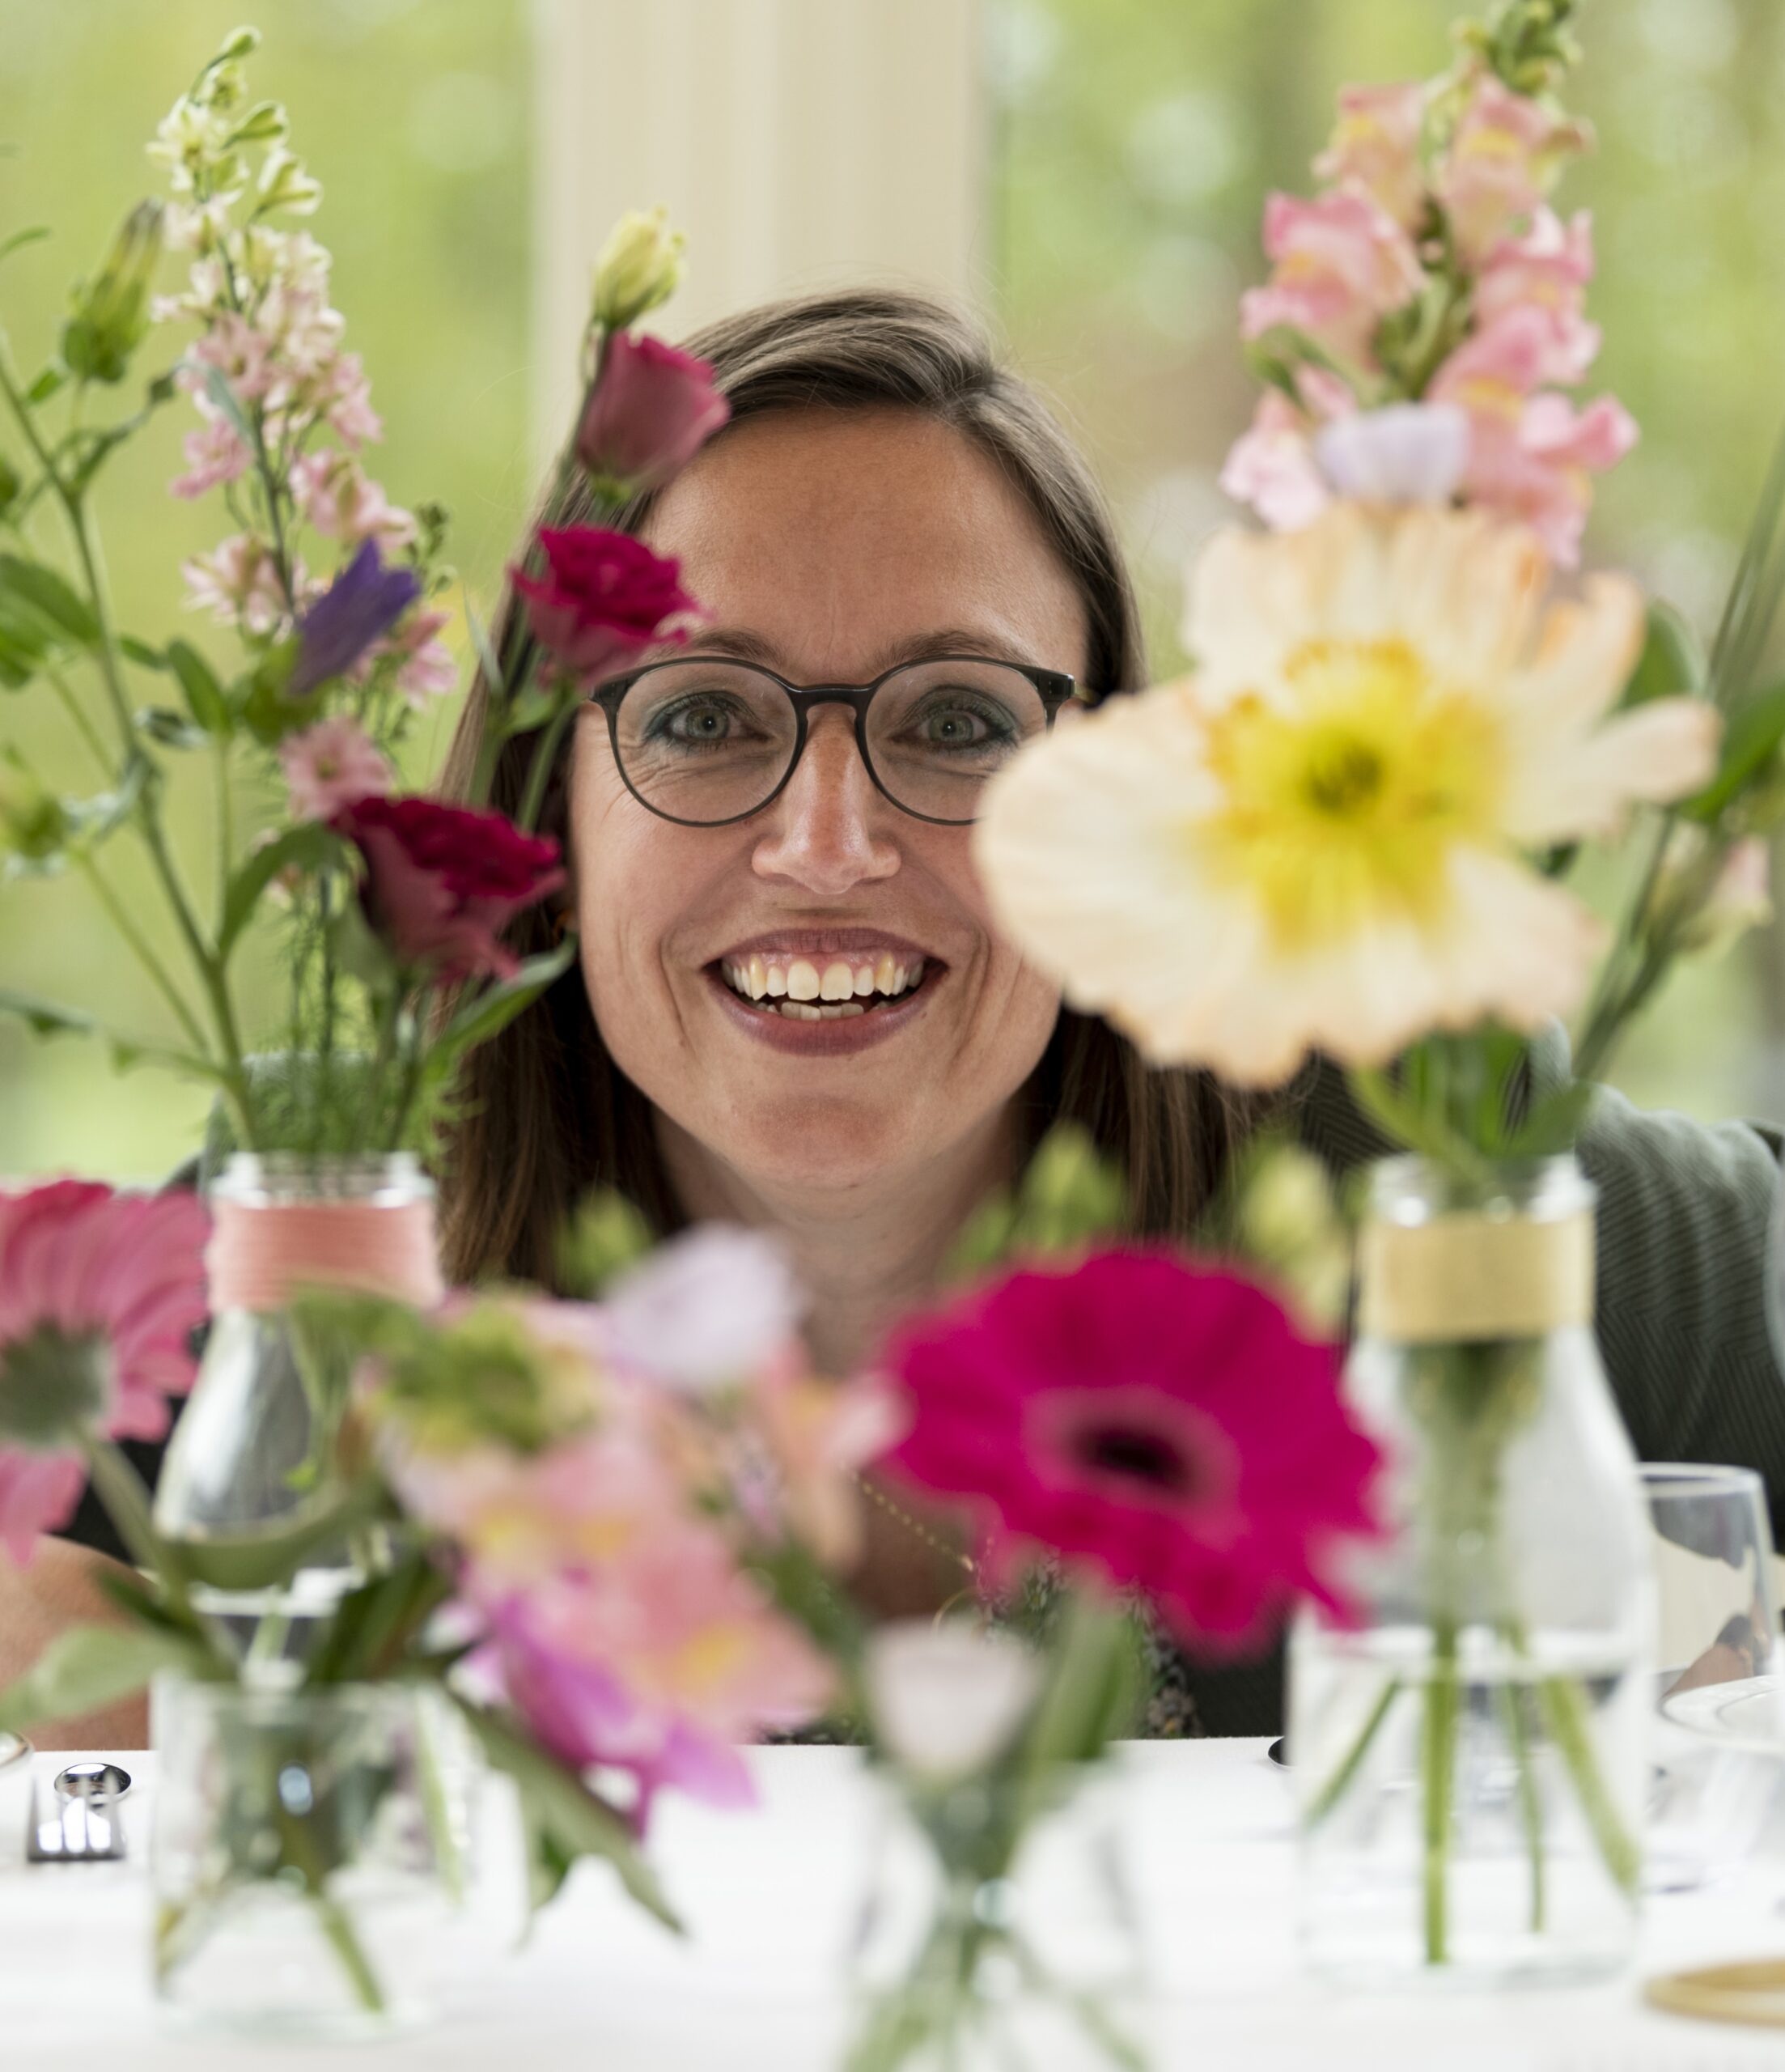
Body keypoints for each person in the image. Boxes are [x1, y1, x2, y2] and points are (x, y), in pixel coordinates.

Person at [19, 288, 1785, 1744]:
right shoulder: (327, 1243)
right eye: (704, 715)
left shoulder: (1405, 1178)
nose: (827, 843)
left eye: (954, 721)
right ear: (549, 806)